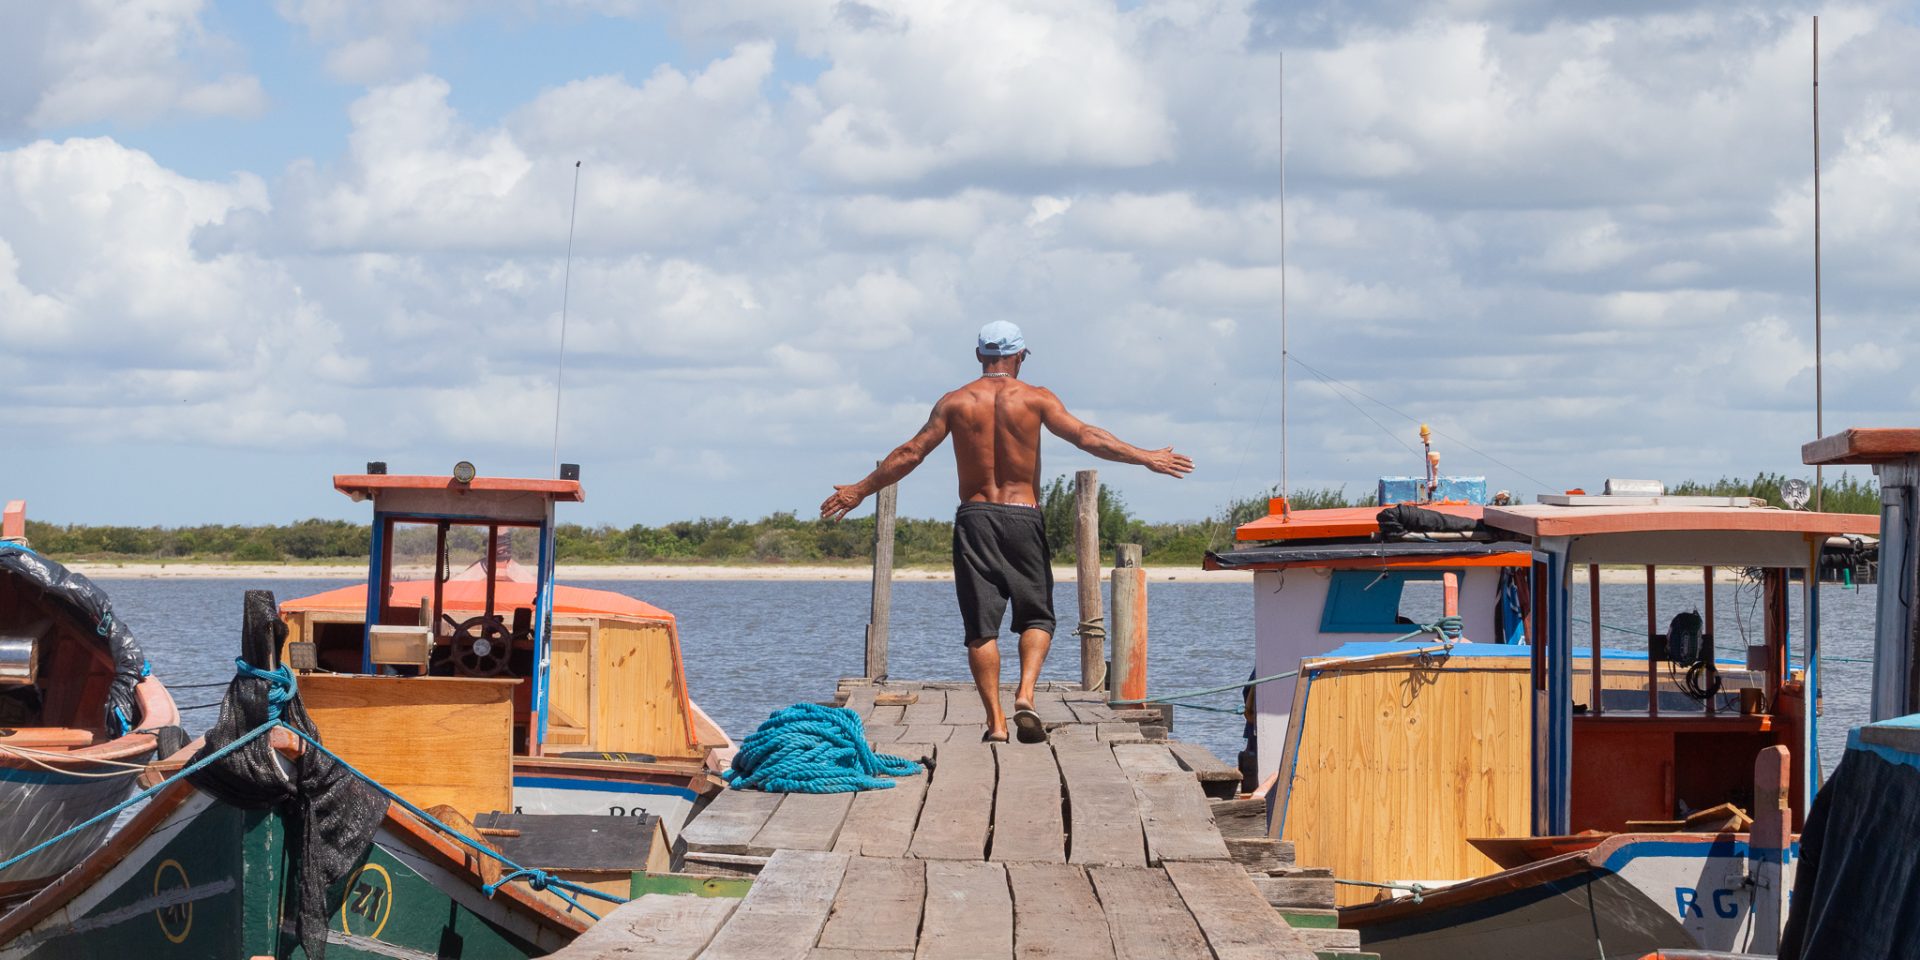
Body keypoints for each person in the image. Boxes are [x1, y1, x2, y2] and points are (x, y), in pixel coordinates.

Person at [821, 321, 1193, 743]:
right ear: (1019, 356)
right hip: (1023, 515)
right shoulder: (1036, 398)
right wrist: (1145, 456)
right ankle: (1026, 694)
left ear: (979, 355)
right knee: (1037, 616)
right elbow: (1087, 436)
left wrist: (859, 490)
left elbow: (911, 452)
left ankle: (996, 723)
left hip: (975, 517)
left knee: (981, 628)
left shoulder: (954, 402)